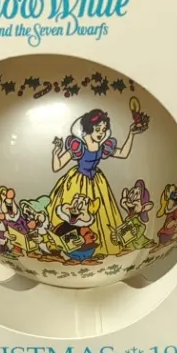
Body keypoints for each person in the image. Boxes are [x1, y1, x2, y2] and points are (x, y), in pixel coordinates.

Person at [48, 108, 147, 257]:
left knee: (101, 214)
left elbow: (123, 153)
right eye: (97, 129)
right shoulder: (78, 146)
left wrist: (131, 134)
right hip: (76, 183)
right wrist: (56, 153)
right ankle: (70, 247)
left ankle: (96, 247)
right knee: (74, 215)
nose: (101, 132)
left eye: (104, 129)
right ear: (88, 128)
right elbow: (57, 166)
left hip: (97, 183)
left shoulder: (103, 146)